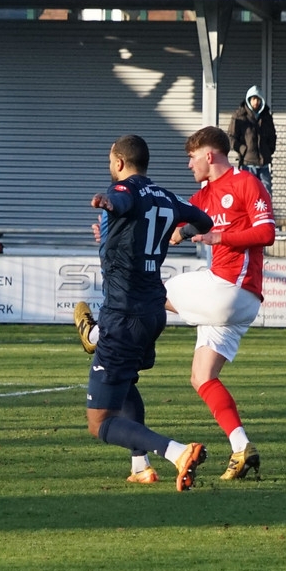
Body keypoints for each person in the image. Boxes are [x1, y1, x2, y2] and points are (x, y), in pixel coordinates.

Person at [75, 126, 275, 481]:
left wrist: (219, 236)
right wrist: (112, 233)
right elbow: (151, 223)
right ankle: (241, 446)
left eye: (192, 157)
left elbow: (267, 233)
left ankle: (98, 333)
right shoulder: (199, 197)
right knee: (202, 377)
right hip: (228, 305)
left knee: (150, 292)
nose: (188, 164)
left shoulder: (245, 182)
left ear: (209, 155)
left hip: (232, 287)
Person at [80, 134, 214, 491]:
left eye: (111, 162)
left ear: (120, 163)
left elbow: (121, 200)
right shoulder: (167, 196)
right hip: (152, 312)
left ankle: (178, 452)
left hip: (123, 315)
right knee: (125, 384)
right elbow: (204, 221)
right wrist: (181, 234)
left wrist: (107, 201)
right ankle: (141, 466)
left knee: (99, 422)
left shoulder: (123, 191)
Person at [227, 85, 277, 196]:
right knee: (248, 194)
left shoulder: (266, 116)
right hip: (248, 164)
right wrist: (243, 150)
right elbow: (231, 137)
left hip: (264, 164)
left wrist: (269, 150)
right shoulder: (239, 116)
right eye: (253, 99)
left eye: (258, 99)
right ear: (249, 99)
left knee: (266, 194)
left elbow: (272, 136)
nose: (256, 102)